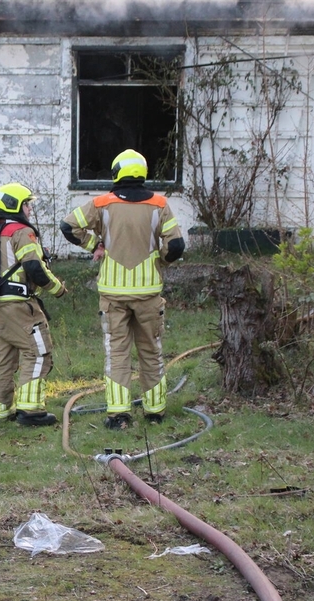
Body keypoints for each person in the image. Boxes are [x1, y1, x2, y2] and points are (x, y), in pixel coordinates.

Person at [59, 149, 185, 429]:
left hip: (113, 295)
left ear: (117, 173)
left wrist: (94, 246)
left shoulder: (101, 204)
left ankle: (118, 416)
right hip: (148, 294)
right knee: (151, 351)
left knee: (117, 353)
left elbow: (67, 226)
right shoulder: (160, 204)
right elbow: (176, 246)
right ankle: (155, 412)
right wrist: (160, 260)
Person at [0, 182, 66, 427]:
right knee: (38, 350)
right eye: (27, 204)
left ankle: (2, 411)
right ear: (16, 205)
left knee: (1, 358)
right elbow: (33, 266)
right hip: (19, 305)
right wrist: (57, 288)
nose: (29, 209)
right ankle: (31, 411)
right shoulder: (21, 232)